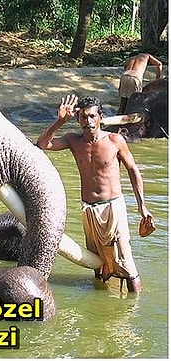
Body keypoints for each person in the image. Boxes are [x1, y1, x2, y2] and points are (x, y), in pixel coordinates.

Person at [36, 95, 153, 292]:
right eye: (83, 117)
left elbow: (133, 170)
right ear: (78, 119)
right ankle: (105, 303)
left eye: (92, 116)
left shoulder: (115, 140)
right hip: (89, 211)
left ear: (100, 117)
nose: (88, 121)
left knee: (127, 264)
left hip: (113, 208)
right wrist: (60, 121)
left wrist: (142, 206)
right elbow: (42, 144)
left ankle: (134, 305)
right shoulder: (73, 141)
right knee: (99, 267)